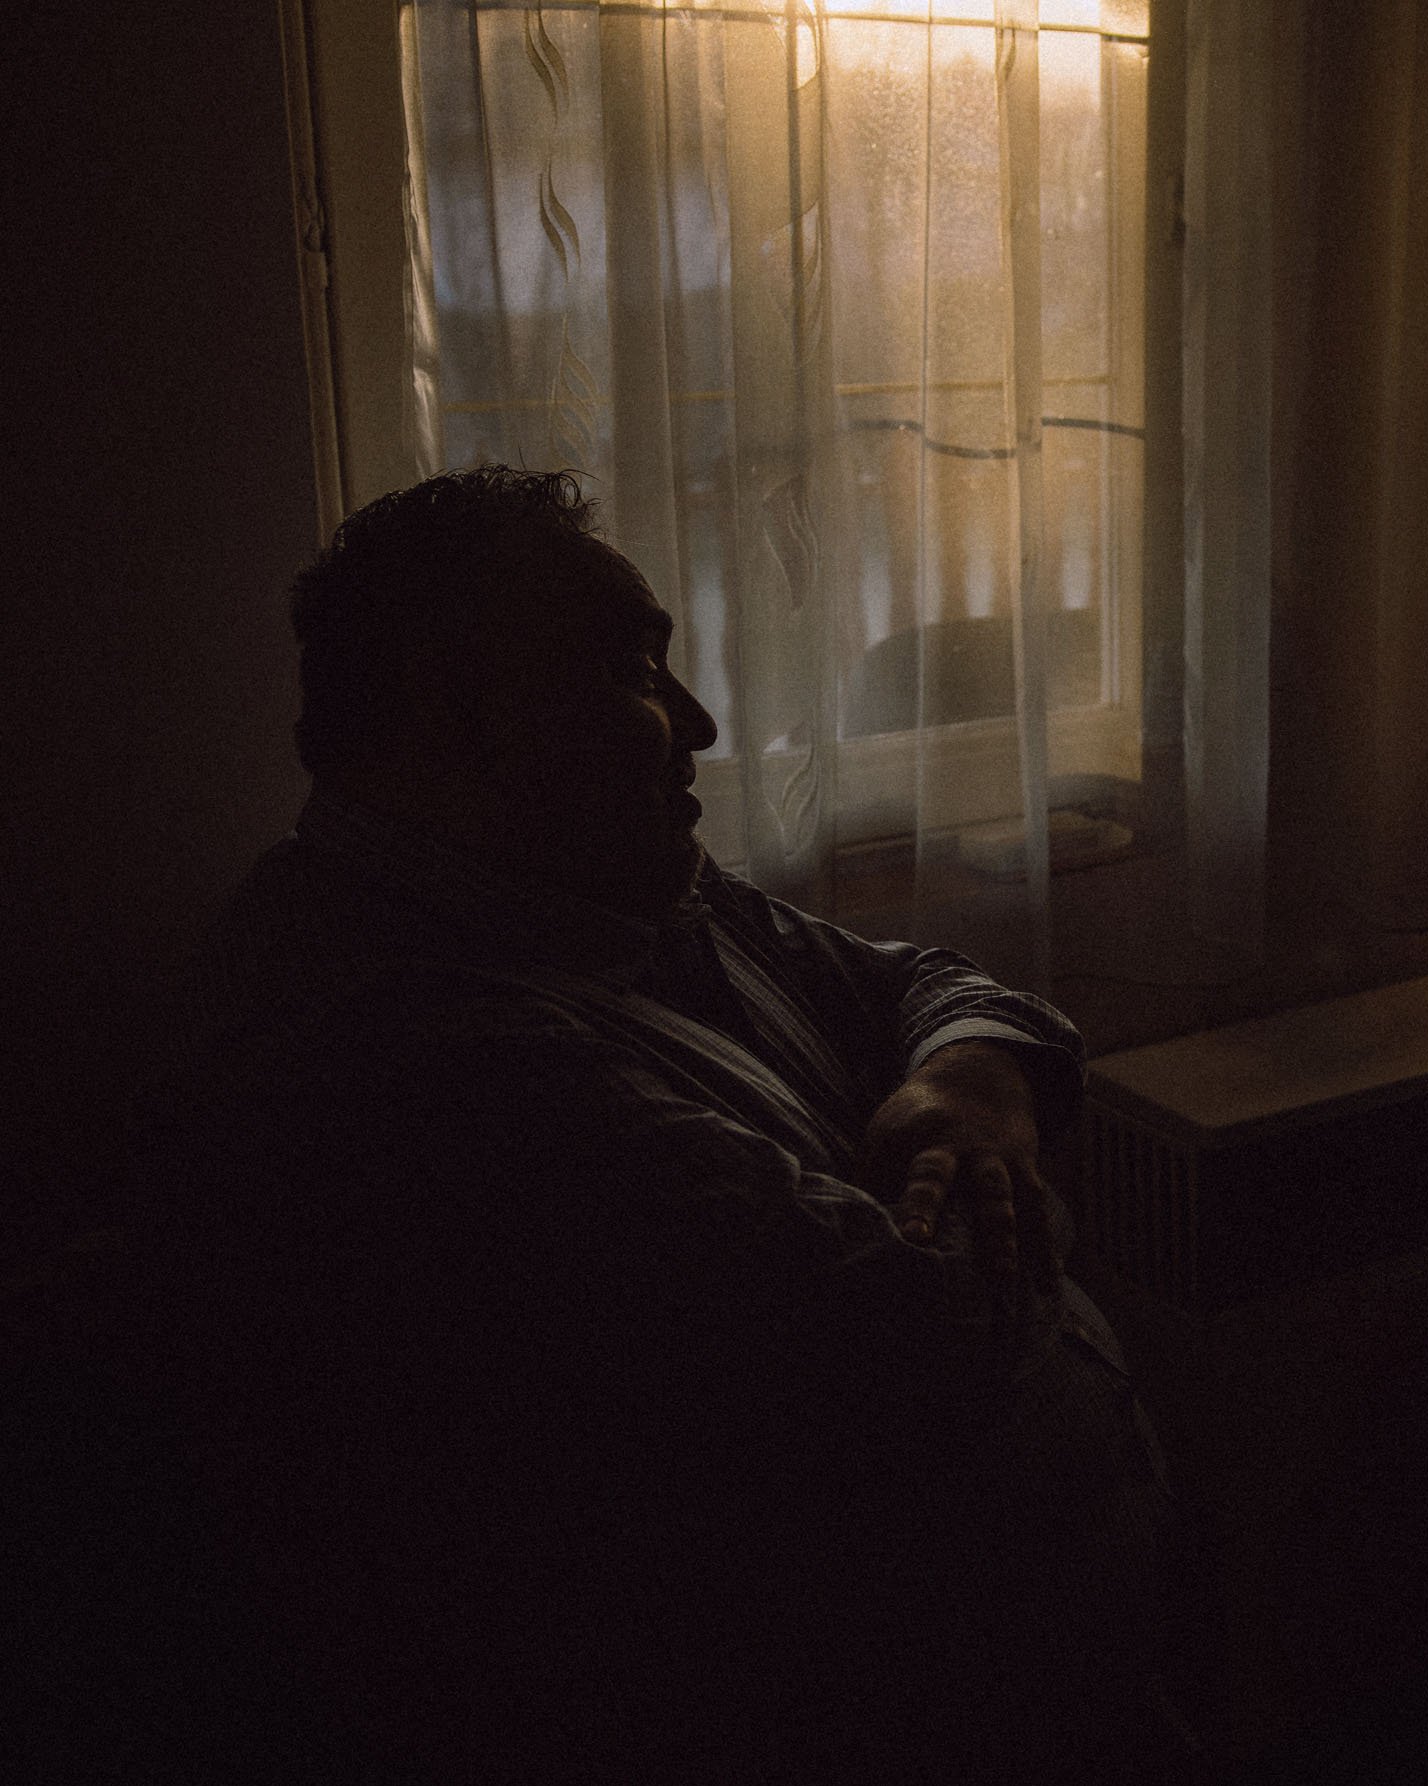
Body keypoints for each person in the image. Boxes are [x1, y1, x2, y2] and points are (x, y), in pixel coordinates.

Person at [13, 468, 1173, 1782]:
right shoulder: (388, 1053)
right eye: (632, 670)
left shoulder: (621, 889)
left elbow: (938, 987)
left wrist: (963, 1090)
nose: (701, 720)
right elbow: (924, 1332)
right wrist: (1014, 1188)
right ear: (464, 722)